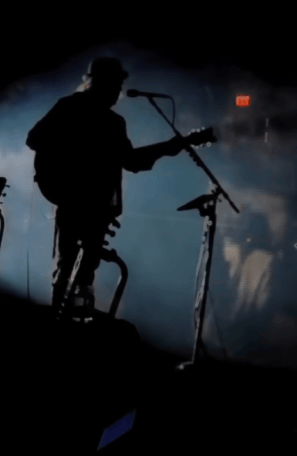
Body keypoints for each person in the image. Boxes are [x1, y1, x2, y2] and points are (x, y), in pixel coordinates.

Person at [27, 57, 187, 315]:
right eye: (115, 85)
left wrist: (167, 149)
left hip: (97, 203)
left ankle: (73, 318)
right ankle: (58, 320)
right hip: (74, 197)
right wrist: (75, 156)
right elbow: (35, 139)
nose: (118, 92)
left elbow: (131, 161)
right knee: (68, 264)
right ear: (99, 83)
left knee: (83, 269)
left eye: (119, 86)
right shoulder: (70, 107)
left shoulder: (114, 122)